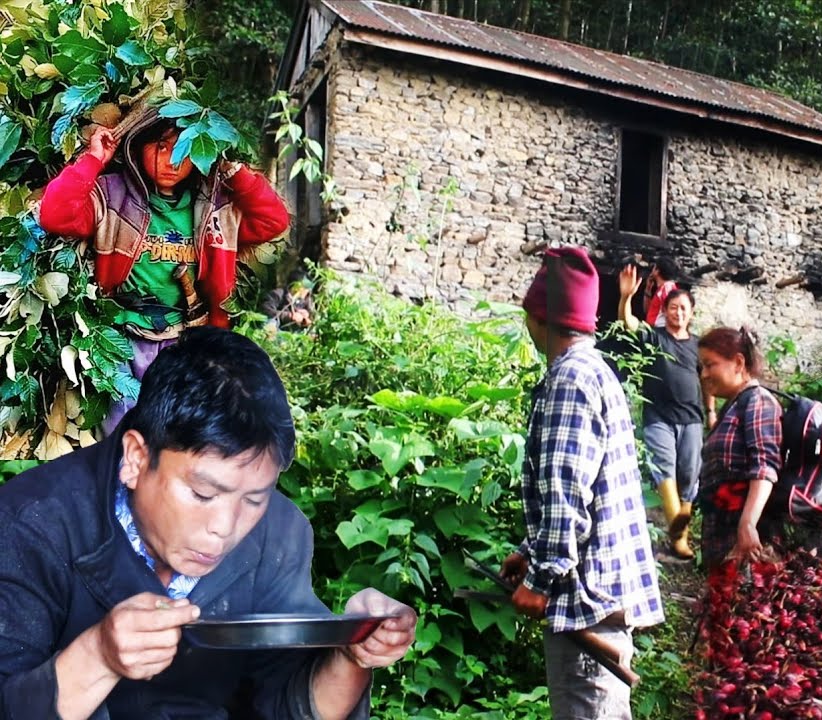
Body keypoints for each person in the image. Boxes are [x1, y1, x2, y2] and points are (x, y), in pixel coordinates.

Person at [0, 327, 417, 719]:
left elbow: (289, 705)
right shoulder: (30, 525)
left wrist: (350, 653)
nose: (225, 527)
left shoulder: (279, 534)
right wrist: (97, 655)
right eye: (203, 494)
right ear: (136, 459)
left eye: (255, 498)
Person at [38, 106, 290, 433]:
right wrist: (93, 159)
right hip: (121, 337)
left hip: (183, 340)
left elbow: (274, 220)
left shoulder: (215, 207)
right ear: (137, 145)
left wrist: (233, 169)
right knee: (120, 432)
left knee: (173, 434)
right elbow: (54, 215)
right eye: (160, 145)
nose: (172, 159)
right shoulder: (112, 195)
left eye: (184, 147)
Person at [502, 246, 664, 719]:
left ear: (540, 316)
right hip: (601, 593)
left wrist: (542, 575)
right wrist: (531, 552)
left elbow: (566, 489)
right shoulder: (594, 370)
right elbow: (585, 485)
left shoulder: (570, 378)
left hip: (587, 599)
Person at [617, 264, 713, 559]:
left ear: (691, 313)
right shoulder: (654, 337)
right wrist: (625, 298)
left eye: (684, 309)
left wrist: (711, 411)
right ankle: (679, 538)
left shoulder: (698, 346)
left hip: (692, 419)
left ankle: (677, 535)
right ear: (666, 310)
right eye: (673, 308)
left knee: (689, 477)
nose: (678, 313)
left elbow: (706, 381)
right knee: (664, 472)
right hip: (658, 417)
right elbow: (628, 323)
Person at [696, 326, 784, 572]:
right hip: (725, 536)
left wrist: (747, 524)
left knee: (748, 605)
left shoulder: (758, 401)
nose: (704, 374)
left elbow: (765, 466)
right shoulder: (732, 407)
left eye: (710, 364)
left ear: (738, 362)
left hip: (749, 544)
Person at [642, 257, 680, 328]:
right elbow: (648, 310)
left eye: (654, 267)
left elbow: (670, 313)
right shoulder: (662, 288)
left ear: (657, 271)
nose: (652, 270)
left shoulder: (667, 288)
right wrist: (648, 289)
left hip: (660, 331)